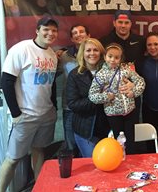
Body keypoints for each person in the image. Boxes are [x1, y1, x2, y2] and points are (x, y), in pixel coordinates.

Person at [0, 16, 59, 192]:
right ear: (37, 30)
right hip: (25, 115)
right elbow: (6, 82)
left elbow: (52, 84)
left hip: (46, 114)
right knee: (13, 159)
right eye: (46, 29)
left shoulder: (52, 54)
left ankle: (39, 188)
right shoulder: (21, 49)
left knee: (39, 151)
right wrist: (16, 113)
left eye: (54, 30)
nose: (50, 33)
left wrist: (53, 107)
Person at [89, 43, 145, 154]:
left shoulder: (126, 70)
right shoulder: (101, 75)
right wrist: (106, 97)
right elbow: (92, 95)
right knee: (118, 142)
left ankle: (131, 162)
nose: (113, 60)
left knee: (131, 142)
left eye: (116, 57)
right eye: (110, 56)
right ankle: (119, 160)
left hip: (130, 112)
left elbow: (141, 82)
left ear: (120, 59)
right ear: (105, 57)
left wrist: (133, 92)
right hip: (113, 114)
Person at [66, 38, 110, 157]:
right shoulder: (74, 75)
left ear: (101, 53)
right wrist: (99, 97)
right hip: (86, 131)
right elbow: (73, 104)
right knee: (92, 166)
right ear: (82, 53)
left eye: (95, 50)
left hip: (108, 129)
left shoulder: (110, 72)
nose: (92, 53)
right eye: (88, 50)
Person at [101, 10, 146, 126]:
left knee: (132, 128)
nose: (123, 25)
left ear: (131, 24)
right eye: (120, 22)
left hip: (132, 92)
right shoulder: (104, 41)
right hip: (112, 96)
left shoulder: (140, 40)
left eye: (126, 22)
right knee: (113, 131)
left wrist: (135, 85)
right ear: (114, 23)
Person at [58, 25, 90, 155]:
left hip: (89, 106)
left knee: (89, 144)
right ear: (71, 38)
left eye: (82, 31)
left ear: (89, 35)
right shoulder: (64, 56)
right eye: (75, 33)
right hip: (69, 106)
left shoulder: (95, 53)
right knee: (71, 144)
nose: (78, 34)